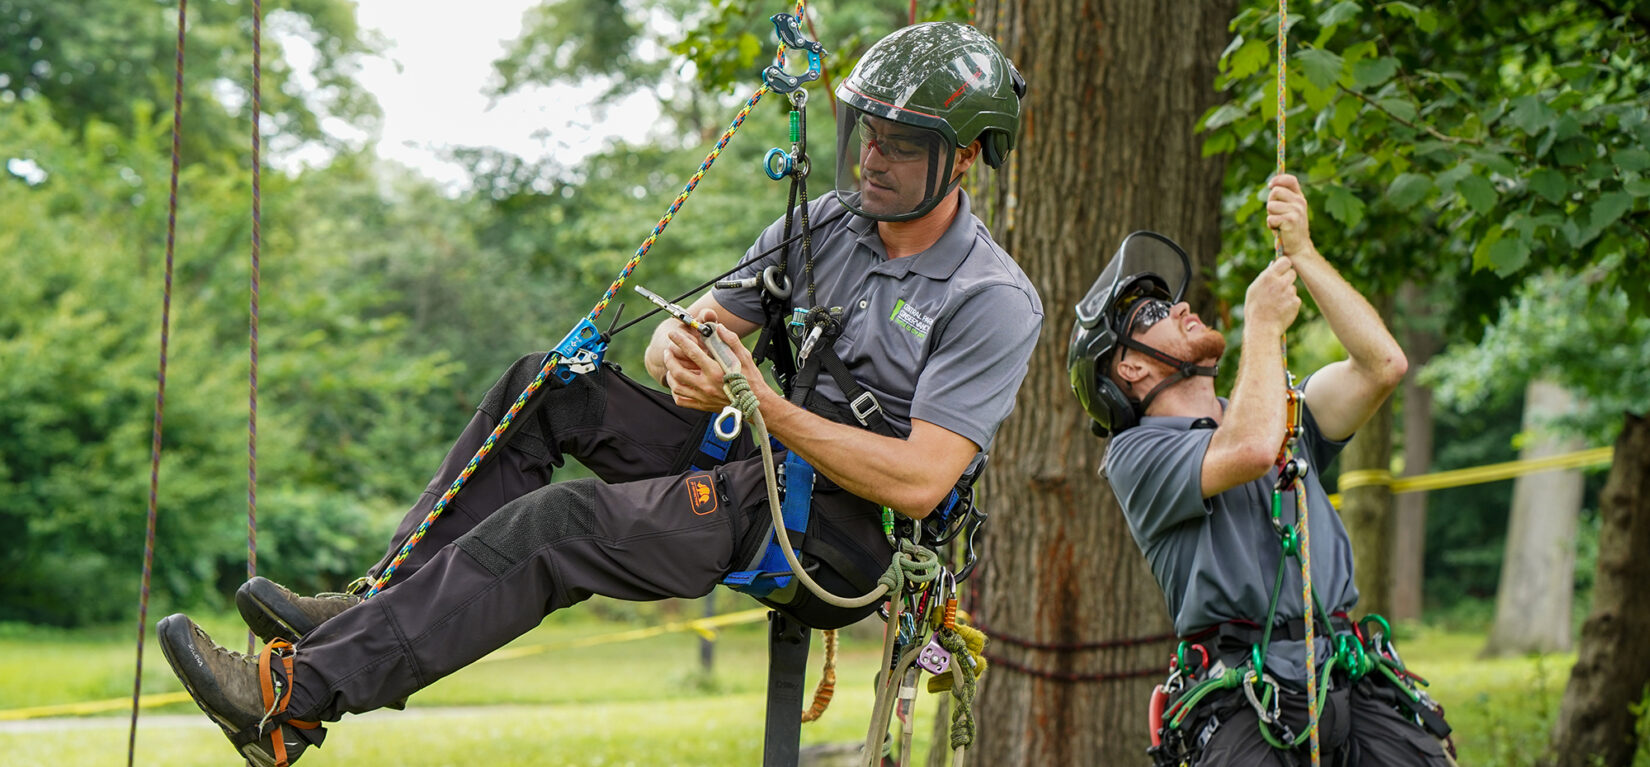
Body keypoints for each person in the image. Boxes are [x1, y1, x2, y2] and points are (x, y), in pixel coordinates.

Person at [157, 21, 1040, 767]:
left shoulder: (988, 297)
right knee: (549, 385)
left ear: (963, 158)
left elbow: (923, 479)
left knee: (559, 526)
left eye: (904, 143)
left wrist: (765, 407)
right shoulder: (824, 225)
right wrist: (677, 349)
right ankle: (379, 599)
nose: (874, 157)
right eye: (866, 131)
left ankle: (291, 702)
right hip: (759, 463)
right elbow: (698, 329)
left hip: (840, 538)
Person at [1066, 175, 1453, 766]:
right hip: (1242, 690)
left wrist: (1304, 255)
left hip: (1344, 668)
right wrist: (1263, 326)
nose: (1183, 307)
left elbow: (1382, 365)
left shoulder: (1283, 411)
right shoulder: (1134, 456)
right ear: (1130, 369)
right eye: (1154, 313)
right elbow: (1245, 449)